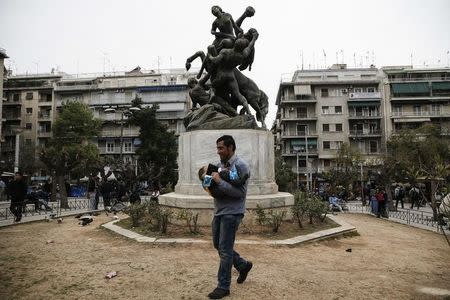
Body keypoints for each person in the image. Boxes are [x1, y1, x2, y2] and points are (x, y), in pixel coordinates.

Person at [207, 135, 252, 299]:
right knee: (218, 245)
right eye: (217, 148)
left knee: (225, 250)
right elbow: (217, 188)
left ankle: (223, 286)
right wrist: (209, 185)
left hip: (232, 213)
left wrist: (219, 182)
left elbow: (240, 193)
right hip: (219, 210)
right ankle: (243, 265)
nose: (218, 151)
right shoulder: (219, 166)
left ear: (231, 147)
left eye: (221, 148)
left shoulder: (241, 166)